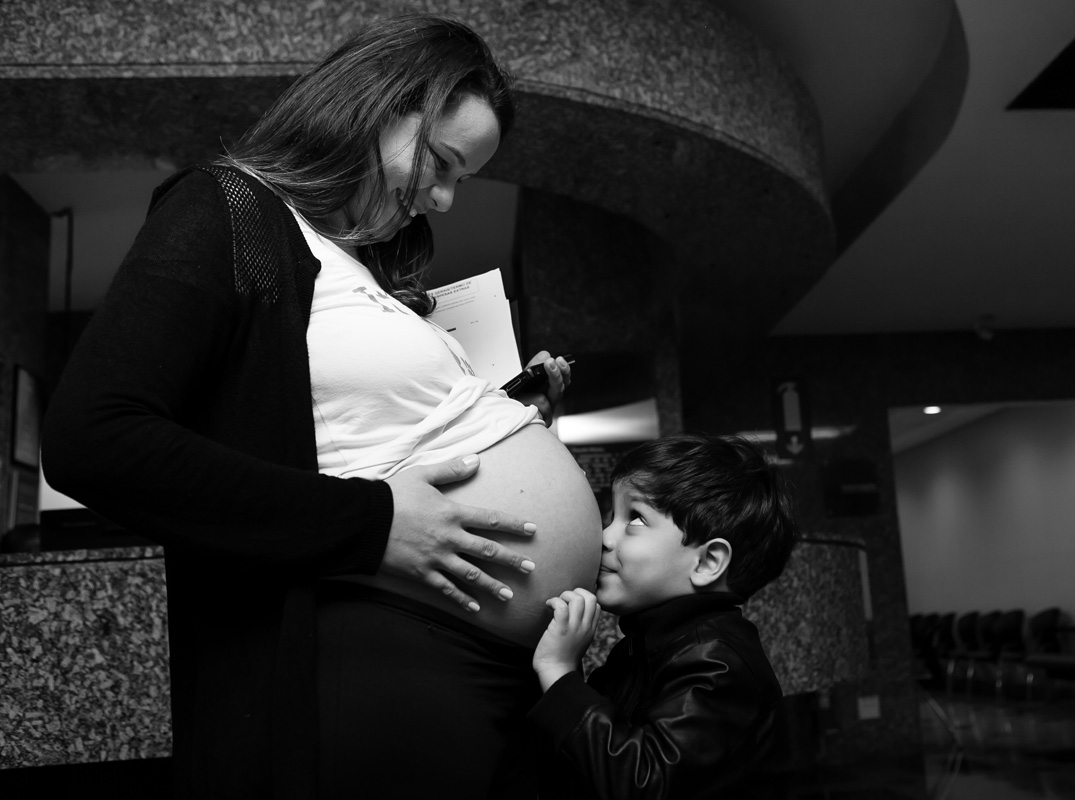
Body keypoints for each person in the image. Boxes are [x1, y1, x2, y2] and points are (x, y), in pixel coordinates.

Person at [40, 13, 602, 800]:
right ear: (377, 107)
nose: (441, 198)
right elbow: (91, 438)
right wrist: (369, 521)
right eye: (440, 163)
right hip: (387, 650)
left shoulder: (354, 264)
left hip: (490, 662)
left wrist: (510, 412)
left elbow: (366, 428)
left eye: (460, 179)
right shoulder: (228, 208)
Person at [529, 433, 800, 799]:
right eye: (612, 515)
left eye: (635, 519)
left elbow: (643, 785)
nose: (605, 536)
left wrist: (561, 675)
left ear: (707, 562)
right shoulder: (642, 647)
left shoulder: (720, 664)